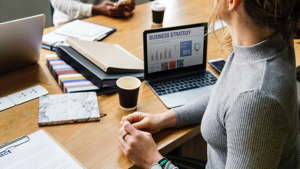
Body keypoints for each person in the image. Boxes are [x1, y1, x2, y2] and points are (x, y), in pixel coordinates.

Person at [118, 0, 300, 168]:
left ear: (232, 2)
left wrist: (153, 160)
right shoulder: (265, 40)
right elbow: (225, 95)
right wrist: (165, 119)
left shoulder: (255, 99)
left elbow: (244, 100)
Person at [50, 0, 135, 26]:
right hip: (70, 23)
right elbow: (59, 2)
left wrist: (124, 2)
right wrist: (95, 9)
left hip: (107, 20)